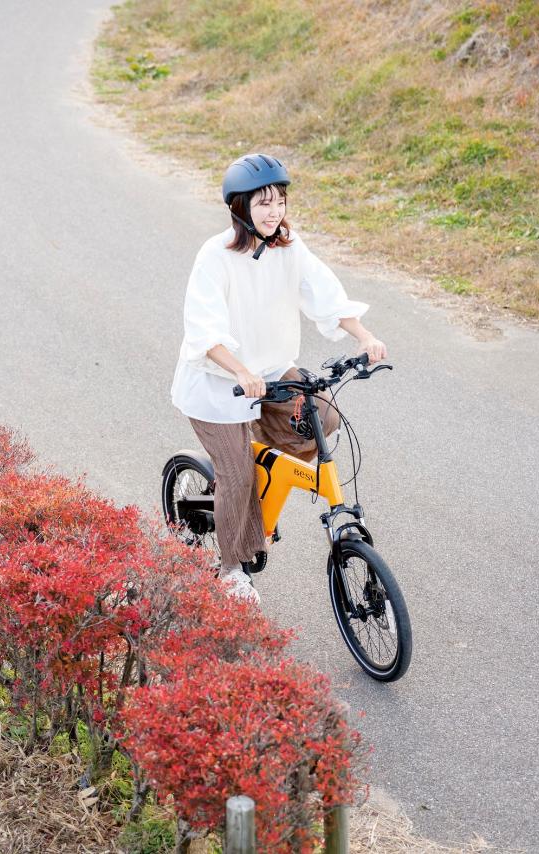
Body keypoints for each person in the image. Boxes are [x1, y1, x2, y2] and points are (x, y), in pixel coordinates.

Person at [170, 153, 387, 603]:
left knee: (322, 418)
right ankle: (232, 567)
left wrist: (364, 336)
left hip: (270, 373)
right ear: (240, 207)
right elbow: (204, 332)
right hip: (217, 384)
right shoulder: (214, 257)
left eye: (280, 201)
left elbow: (326, 295)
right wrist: (240, 370)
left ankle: (257, 485)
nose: (274, 211)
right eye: (263, 203)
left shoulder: (290, 248)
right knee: (236, 474)